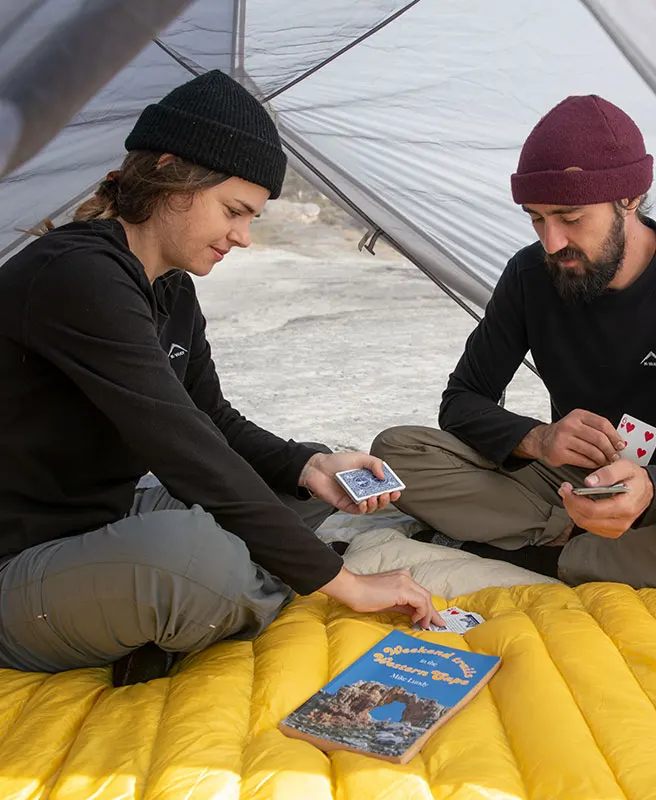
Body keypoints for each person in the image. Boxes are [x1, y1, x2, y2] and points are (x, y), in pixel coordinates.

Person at [0, 70, 442, 684]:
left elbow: (212, 418)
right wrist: (345, 585)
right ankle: (220, 595)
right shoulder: (77, 275)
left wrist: (307, 467)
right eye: (234, 211)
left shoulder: (171, 287)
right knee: (198, 556)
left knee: (296, 483)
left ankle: (208, 599)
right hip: (18, 561)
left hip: (99, 525)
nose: (243, 236)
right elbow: (184, 446)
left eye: (252, 218)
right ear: (170, 175)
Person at [372, 94, 656, 609]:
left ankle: (555, 558)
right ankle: (584, 543)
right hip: (566, 489)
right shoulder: (531, 275)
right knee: (395, 453)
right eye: (536, 219)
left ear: (630, 198)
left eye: (570, 217)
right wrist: (538, 438)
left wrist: (655, 489)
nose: (552, 242)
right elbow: (463, 399)